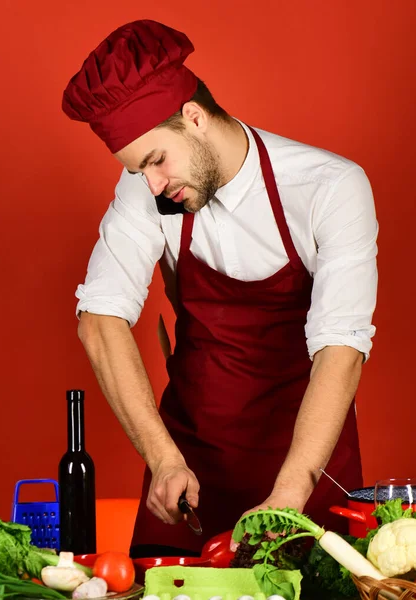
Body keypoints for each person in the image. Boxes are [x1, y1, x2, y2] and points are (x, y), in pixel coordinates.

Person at [62, 19, 378, 558]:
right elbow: (99, 318)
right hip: (192, 472)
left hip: (307, 467)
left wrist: (288, 492)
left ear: (194, 117)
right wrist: (162, 459)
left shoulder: (329, 187)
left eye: (156, 160)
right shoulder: (150, 190)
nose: (154, 186)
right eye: (139, 172)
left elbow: (342, 349)